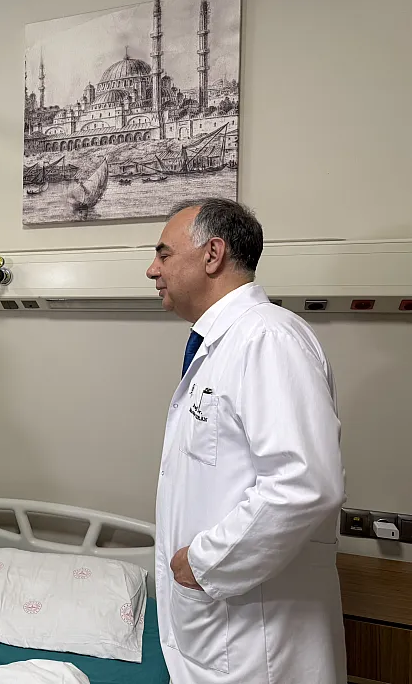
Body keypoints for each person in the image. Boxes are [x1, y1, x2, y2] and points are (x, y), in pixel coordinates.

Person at [145, 198, 347, 683]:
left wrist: (201, 564)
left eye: (164, 254)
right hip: (216, 629)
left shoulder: (268, 339)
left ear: (212, 254)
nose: (152, 269)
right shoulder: (224, 343)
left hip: (255, 644)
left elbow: (304, 485)